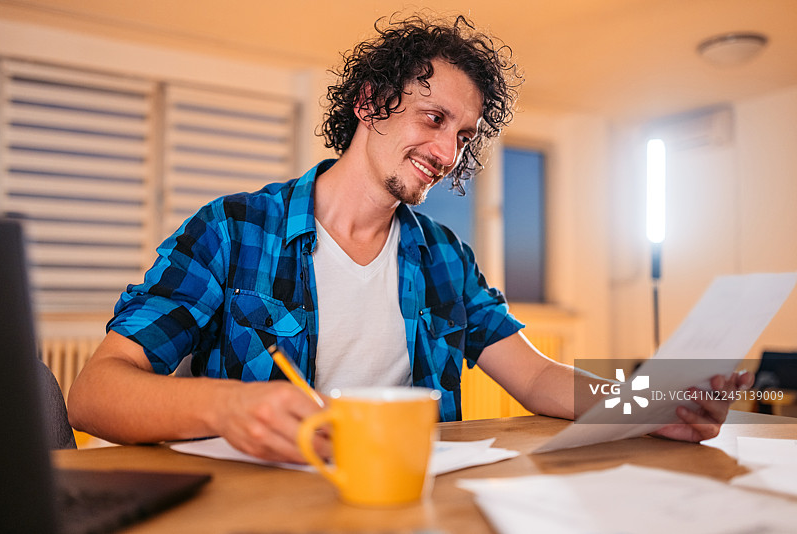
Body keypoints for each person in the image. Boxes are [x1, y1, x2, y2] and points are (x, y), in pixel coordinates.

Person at [68, 13, 752, 463]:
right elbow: (95, 394)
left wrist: (647, 402)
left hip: (411, 504)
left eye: (463, 136)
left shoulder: (444, 258)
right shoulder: (233, 228)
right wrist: (228, 405)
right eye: (433, 118)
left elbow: (539, 376)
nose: (448, 151)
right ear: (369, 103)